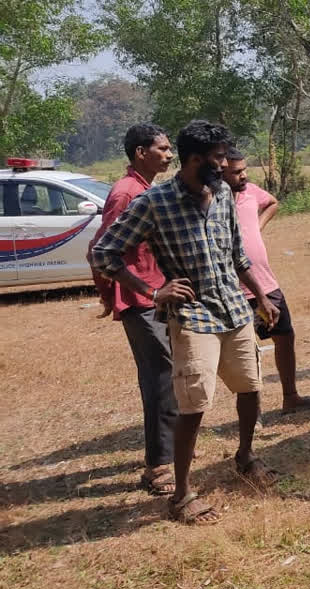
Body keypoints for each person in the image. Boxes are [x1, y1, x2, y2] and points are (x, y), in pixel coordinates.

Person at [92, 120, 282, 525]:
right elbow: (105, 253)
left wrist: (262, 297)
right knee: (193, 403)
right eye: (218, 158)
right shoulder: (154, 201)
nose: (225, 163)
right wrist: (152, 290)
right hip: (193, 316)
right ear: (195, 159)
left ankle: (245, 456)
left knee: (250, 387)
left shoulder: (226, 195)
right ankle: (181, 494)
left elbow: (237, 255)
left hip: (235, 307)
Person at [86, 123, 179, 496]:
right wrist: (116, 295)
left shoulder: (143, 188)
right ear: (141, 152)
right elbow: (100, 251)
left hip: (151, 298)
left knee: (166, 378)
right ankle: (159, 468)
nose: (169, 155)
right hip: (141, 302)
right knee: (161, 380)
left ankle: (164, 456)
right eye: (163, 148)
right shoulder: (126, 194)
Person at [222, 146, 310, 414]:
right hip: (234, 290)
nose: (243, 176)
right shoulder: (212, 200)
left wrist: (257, 226)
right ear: (220, 172)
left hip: (265, 283)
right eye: (236, 172)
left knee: (284, 335)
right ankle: (251, 412)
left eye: (245, 170)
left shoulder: (249, 192)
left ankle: (291, 397)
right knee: (245, 352)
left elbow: (271, 202)